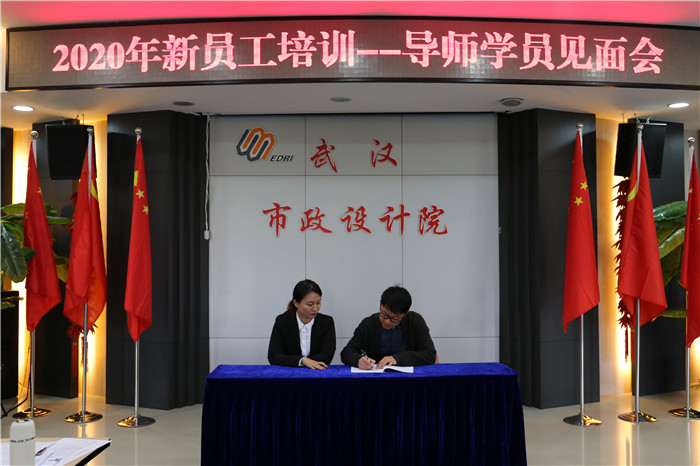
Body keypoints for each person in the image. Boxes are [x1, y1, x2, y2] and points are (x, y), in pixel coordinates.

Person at [341, 286, 436, 369]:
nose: (387, 321)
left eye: (394, 319)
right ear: (380, 303)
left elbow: (429, 354)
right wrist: (358, 360)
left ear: (406, 313)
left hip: (408, 378)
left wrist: (397, 359)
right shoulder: (369, 323)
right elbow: (346, 353)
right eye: (384, 314)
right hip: (376, 378)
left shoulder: (415, 321)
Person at [267, 279, 336, 369]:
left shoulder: (327, 322)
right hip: (289, 373)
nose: (315, 308)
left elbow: (327, 355)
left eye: (318, 303)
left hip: (317, 372)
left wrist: (305, 362)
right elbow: (274, 356)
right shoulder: (282, 321)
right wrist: (302, 360)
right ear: (296, 303)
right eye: (310, 304)